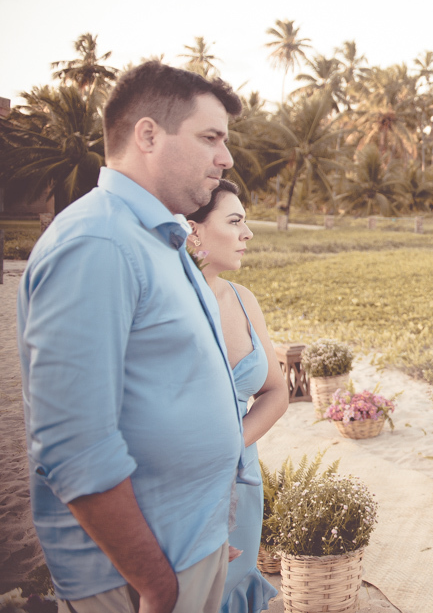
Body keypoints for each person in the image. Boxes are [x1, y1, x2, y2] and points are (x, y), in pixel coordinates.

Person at [18, 61, 244, 611]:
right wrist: (156, 582)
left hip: (186, 549)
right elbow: (75, 446)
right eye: (210, 137)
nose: (227, 157)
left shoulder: (156, 238)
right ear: (148, 135)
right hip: (133, 580)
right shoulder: (98, 242)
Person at [186, 179, 288, 613]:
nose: (248, 234)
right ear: (194, 231)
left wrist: (233, 446)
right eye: (235, 221)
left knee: (235, 584)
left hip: (242, 477)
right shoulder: (165, 304)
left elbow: (277, 391)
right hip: (183, 484)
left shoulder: (244, 299)